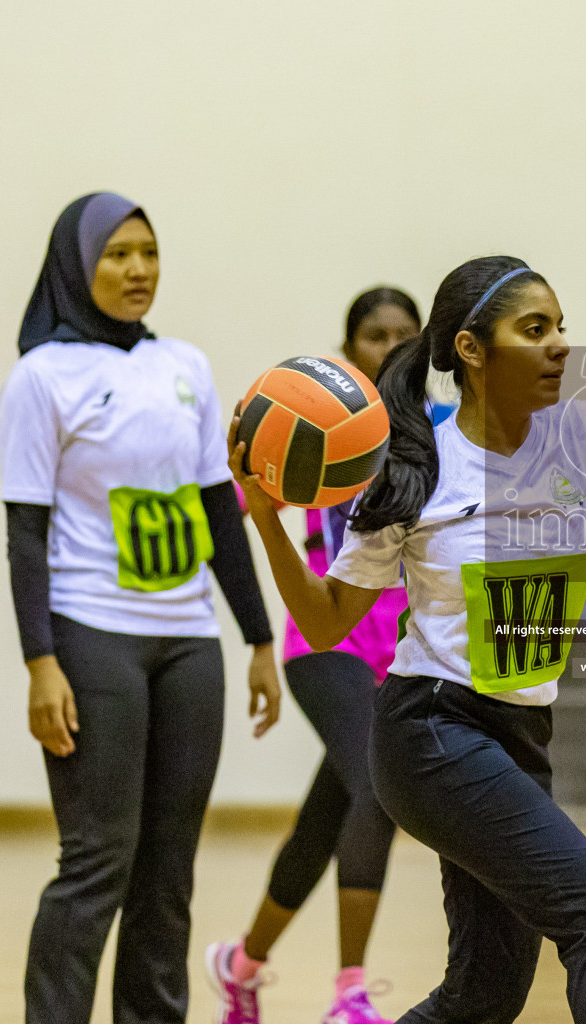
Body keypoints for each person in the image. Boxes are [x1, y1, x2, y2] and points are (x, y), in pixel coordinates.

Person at [233, 256, 586, 1023]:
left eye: (560, 329)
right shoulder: (419, 466)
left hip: (519, 731)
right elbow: (323, 621)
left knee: (483, 994)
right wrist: (262, 514)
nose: (560, 345)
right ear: (473, 351)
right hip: (433, 730)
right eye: (534, 329)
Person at [0, 192, 282, 1024]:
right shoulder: (42, 376)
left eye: (149, 253)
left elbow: (219, 510)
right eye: (117, 253)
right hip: (92, 637)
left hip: (188, 640)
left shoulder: (184, 366)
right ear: (77, 265)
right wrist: (40, 662)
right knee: (97, 866)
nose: (137, 270)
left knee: (169, 872)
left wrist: (258, 637)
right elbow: (24, 534)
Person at [206, 287, 423, 1024]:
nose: (389, 343)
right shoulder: (324, 427)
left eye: (403, 332)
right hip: (324, 642)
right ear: (348, 345)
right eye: (374, 333)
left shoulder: (431, 431)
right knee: (376, 787)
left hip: (402, 651)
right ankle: (349, 993)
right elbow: (227, 511)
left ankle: (241, 964)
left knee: (324, 822)